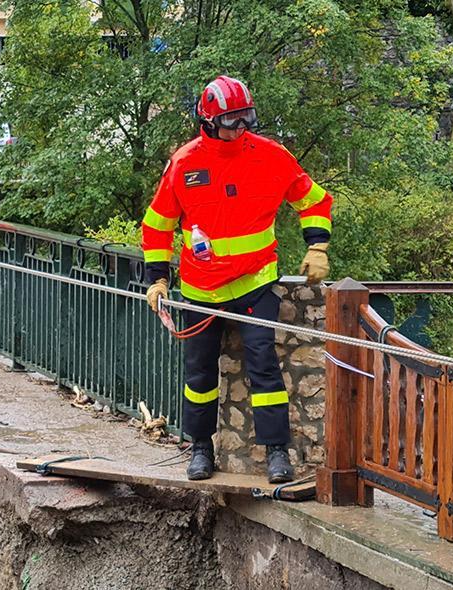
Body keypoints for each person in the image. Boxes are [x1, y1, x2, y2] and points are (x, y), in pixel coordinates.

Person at [141, 76, 333, 484]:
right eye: (230, 121)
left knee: (264, 365)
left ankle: (277, 451)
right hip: (199, 289)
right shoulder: (185, 163)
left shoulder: (271, 156)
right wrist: (157, 278)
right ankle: (200, 448)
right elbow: (157, 225)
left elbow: (313, 200)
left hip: (255, 282)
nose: (239, 128)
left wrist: (318, 246)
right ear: (208, 121)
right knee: (199, 375)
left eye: (245, 119)